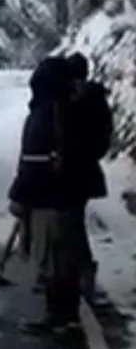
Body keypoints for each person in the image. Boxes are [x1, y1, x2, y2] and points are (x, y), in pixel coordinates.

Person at [8, 56, 91, 333]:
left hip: (49, 196)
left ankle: (59, 314)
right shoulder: (69, 108)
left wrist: (20, 194)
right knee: (62, 255)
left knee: (53, 256)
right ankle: (65, 312)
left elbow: (33, 159)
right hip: (64, 193)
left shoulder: (47, 113)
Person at [65, 52, 113, 305]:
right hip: (72, 172)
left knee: (72, 224)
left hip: (80, 172)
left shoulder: (91, 101)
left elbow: (100, 141)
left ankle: (82, 272)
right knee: (70, 224)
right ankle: (74, 271)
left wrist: (79, 152)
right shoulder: (79, 99)